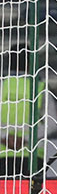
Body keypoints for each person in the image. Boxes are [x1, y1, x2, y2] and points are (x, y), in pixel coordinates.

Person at [0, 45, 42, 178]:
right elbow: (52, 122)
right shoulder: (40, 87)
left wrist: (5, 137)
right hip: (31, 155)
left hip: (3, 153)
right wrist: (25, 139)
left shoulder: (2, 85)